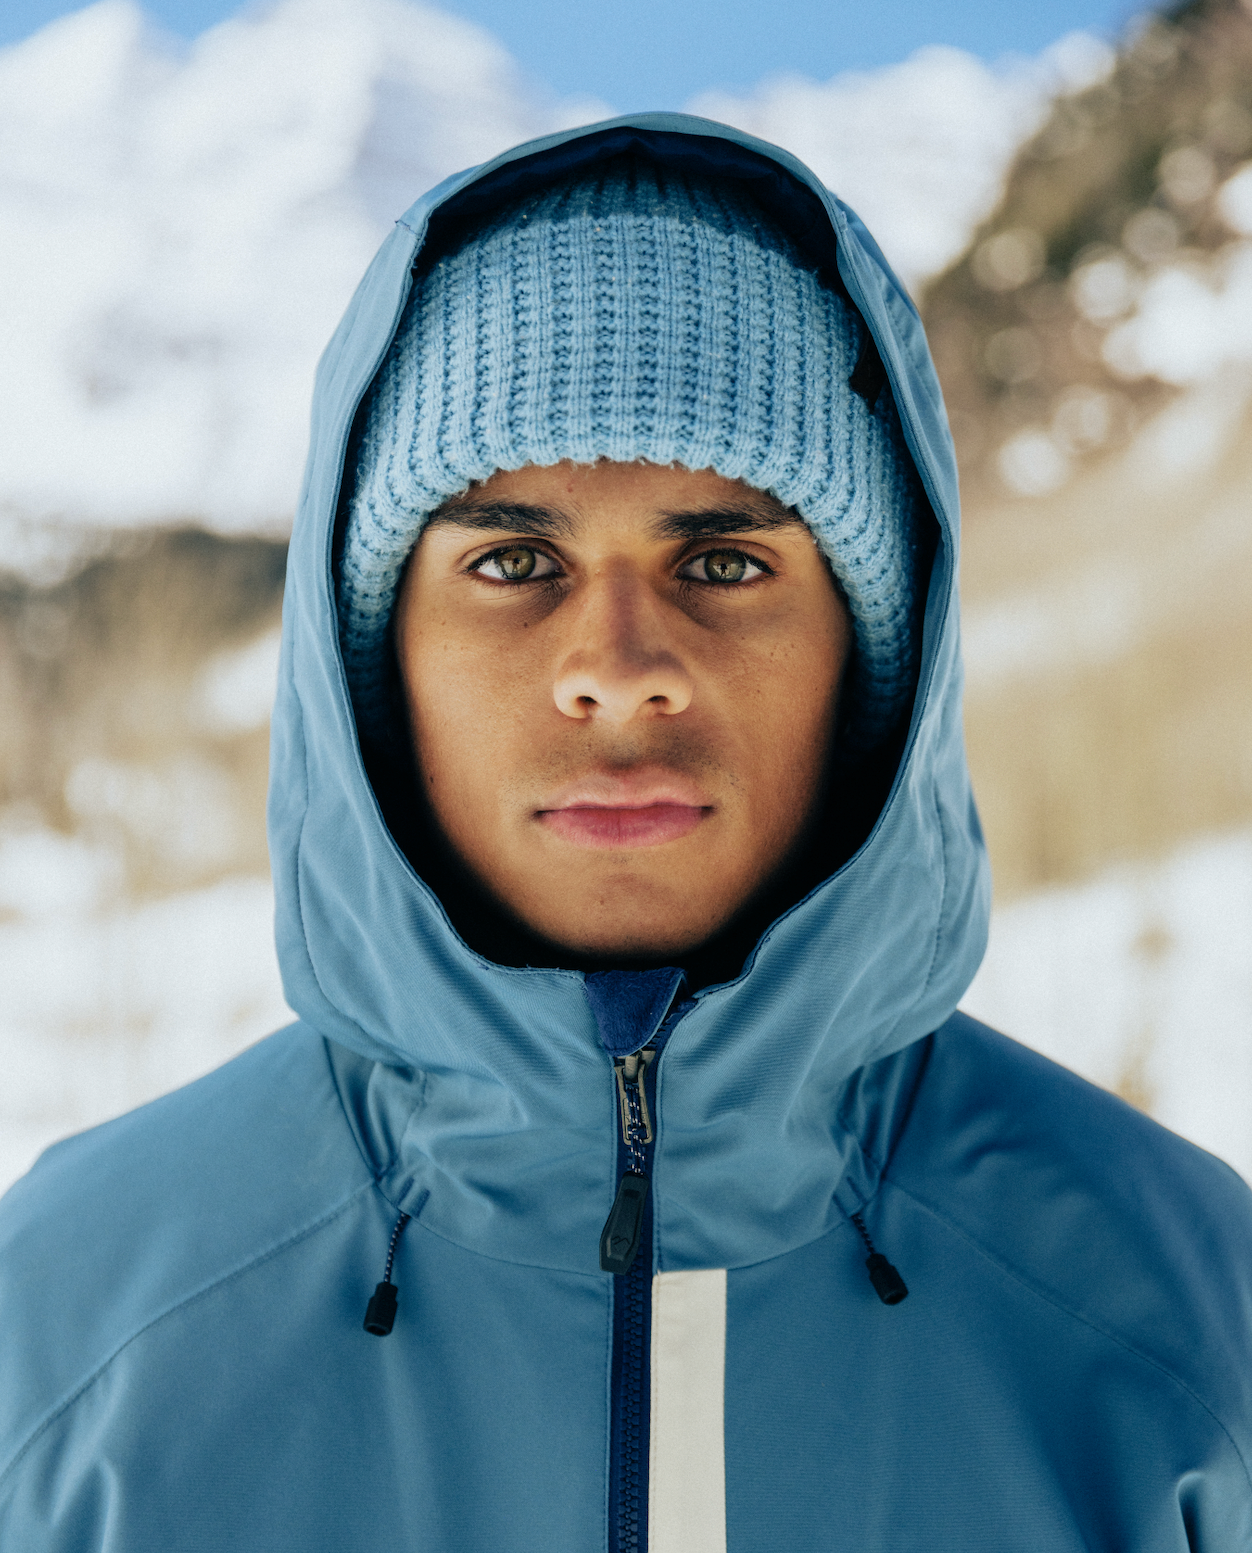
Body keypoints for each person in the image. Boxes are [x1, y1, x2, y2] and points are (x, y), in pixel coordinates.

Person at [0, 113, 1248, 1553]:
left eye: (723, 558)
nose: (617, 660)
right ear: (371, 665)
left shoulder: (1186, 1324)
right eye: (512, 561)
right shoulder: (69, 1335)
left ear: (874, 669)